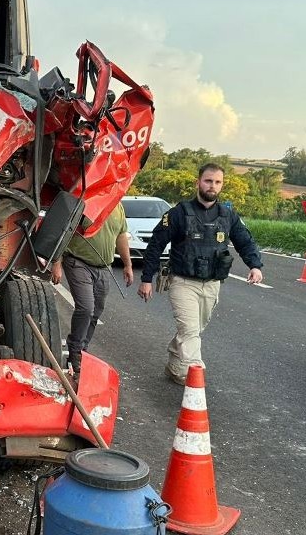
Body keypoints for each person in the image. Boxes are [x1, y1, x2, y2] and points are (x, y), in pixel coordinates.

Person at [137, 163, 263, 384]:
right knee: (189, 330)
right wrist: (147, 278)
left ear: (222, 185)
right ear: (198, 182)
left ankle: (175, 367)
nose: (212, 186)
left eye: (217, 182)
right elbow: (156, 245)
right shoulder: (178, 213)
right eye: (208, 181)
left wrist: (255, 266)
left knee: (194, 330)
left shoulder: (228, 215)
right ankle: (196, 375)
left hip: (212, 283)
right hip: (183, 283)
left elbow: (245, 241)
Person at [51, 202, 133, 378]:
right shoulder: (87, 200)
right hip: (77, 262)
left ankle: (83, 350)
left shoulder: (118, 206)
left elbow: (121, 236)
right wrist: (56, 263)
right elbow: (63, 230)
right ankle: (75, 353)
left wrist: (127, 265)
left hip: (104, 267)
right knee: (86, 308)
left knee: (96, 311)